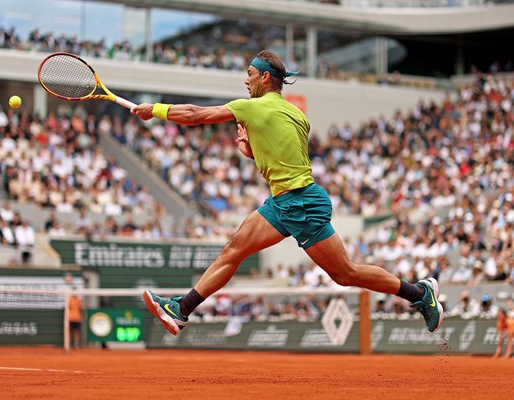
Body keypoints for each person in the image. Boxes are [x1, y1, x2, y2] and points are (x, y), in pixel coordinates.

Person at [131, 50, 443, 336]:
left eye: (250, 73)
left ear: (265, 77)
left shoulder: (251, 107)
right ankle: (181, 309)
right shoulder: (298, 116)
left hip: (300, 202)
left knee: (345, 273)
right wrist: (249, 149)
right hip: (284, 202)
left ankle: (419, 294)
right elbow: (282, 156)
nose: (246, 79)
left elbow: (195, 115)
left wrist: (154, 109)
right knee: (233, 251)